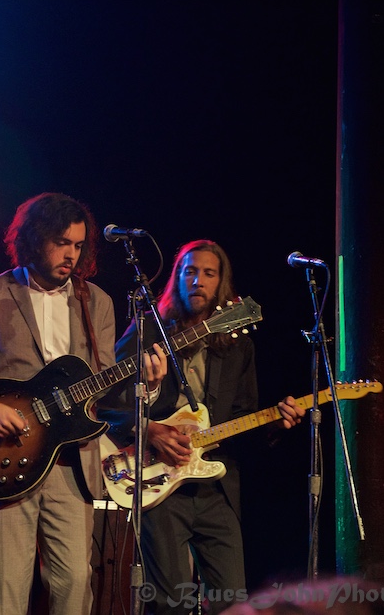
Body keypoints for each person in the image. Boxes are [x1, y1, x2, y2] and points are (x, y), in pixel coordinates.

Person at [0, 192, 167, 615]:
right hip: (7, 458)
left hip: (72, 464)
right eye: (62, 243)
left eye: (78, 245)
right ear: (34, 239)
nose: (71, 255)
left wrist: (144, 386)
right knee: (4, 592)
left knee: (75, 586)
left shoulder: (98, 302)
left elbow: (106, 390)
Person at [102, 239, 305, 614]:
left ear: (221, 283)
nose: (198, 281)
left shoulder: (237, 345)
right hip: (158, 484)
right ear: (177, 278)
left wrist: (274, 422)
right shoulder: (149, 330)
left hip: (217, 488)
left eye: (208, 273)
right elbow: (105, 404)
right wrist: (151, 430)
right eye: (189, 271)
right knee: (169, 603)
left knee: (233, 602)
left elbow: (242, 416)